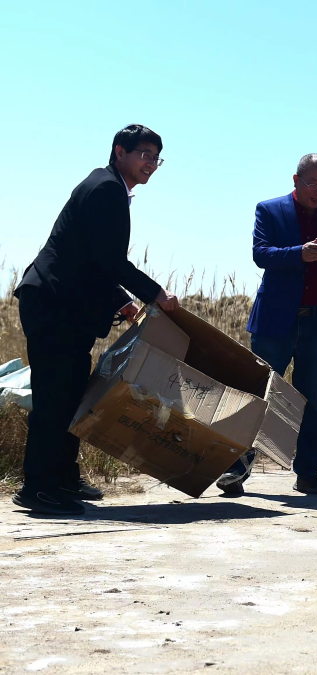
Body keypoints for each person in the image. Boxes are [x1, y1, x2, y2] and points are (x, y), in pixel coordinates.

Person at [13, 124, 180, 516]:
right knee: (56, 397)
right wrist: (155, 293)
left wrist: (119, 301)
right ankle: (37, 487)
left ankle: (63, 479)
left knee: (71, 394)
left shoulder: (107, 186)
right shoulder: (106, 188)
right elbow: (109, 260)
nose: (151, 164)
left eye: (156, 158)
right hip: (54, 304)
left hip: (64, 304)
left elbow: (91, 257)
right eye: (144, 154)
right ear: (119, 151)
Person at [216, 154, 317, 495]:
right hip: (274, 323)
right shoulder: (269, 210)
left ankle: (308, 474)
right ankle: (234, 470)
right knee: (256, 396)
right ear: (295, 181)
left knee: (312, 402)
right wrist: (299, 253)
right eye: (314, 184)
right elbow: (261, 253)